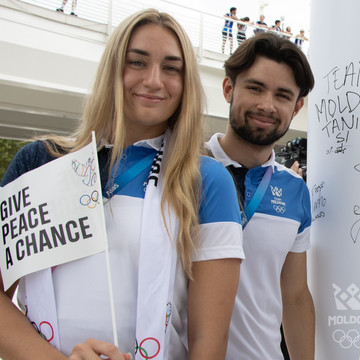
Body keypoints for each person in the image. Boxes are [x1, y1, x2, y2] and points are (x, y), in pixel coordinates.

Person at [0, 9, 243, 359]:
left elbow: (209, 341)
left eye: (172, 68)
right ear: (113, 68)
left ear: (186, 82)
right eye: (137, 62)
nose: (154, 81)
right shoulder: (40, 162)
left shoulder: (205, 180)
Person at [204, 32, 315, 360]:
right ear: (228, 89)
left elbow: (294, 297)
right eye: (255, 88)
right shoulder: (183, 169)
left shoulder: (295, 191)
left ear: (296, 107)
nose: (267, 105)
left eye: (282, 95)